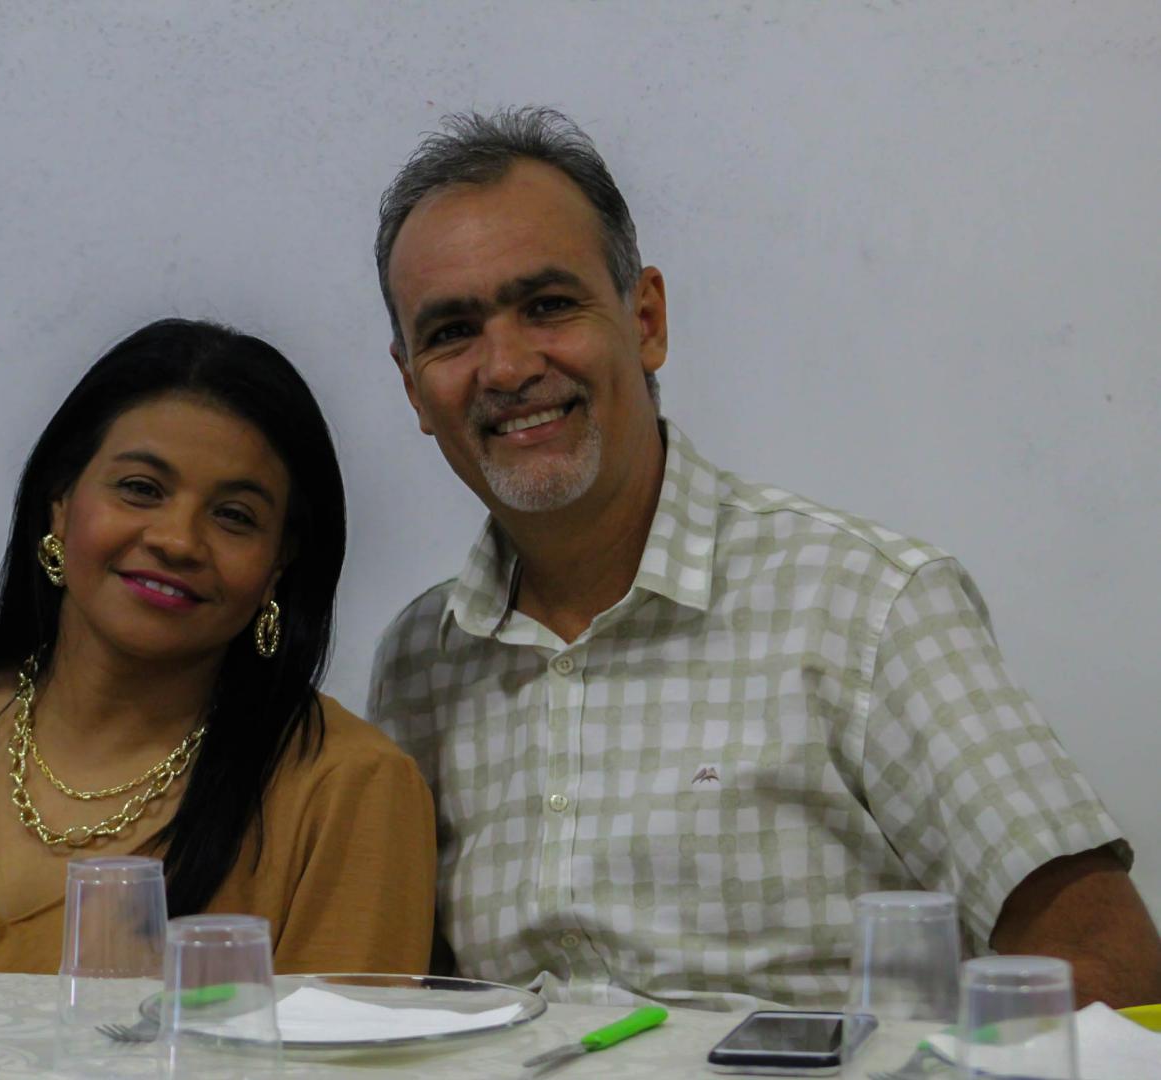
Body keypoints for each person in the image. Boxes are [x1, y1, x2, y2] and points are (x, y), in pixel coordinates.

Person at [366, 107, 1161, 1010]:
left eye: (547, 305)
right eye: (452, 331)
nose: (506, 368)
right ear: (412, 387)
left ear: (646, 319)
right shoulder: (420, 665)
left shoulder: (867, 605)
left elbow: (1109, 970)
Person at [0, 318, 435, 975]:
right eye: (141, 489)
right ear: (60, 501)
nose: (177, 540)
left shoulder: (347, 787)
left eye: (234, 516)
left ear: (279, 563)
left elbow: (348, 1046)